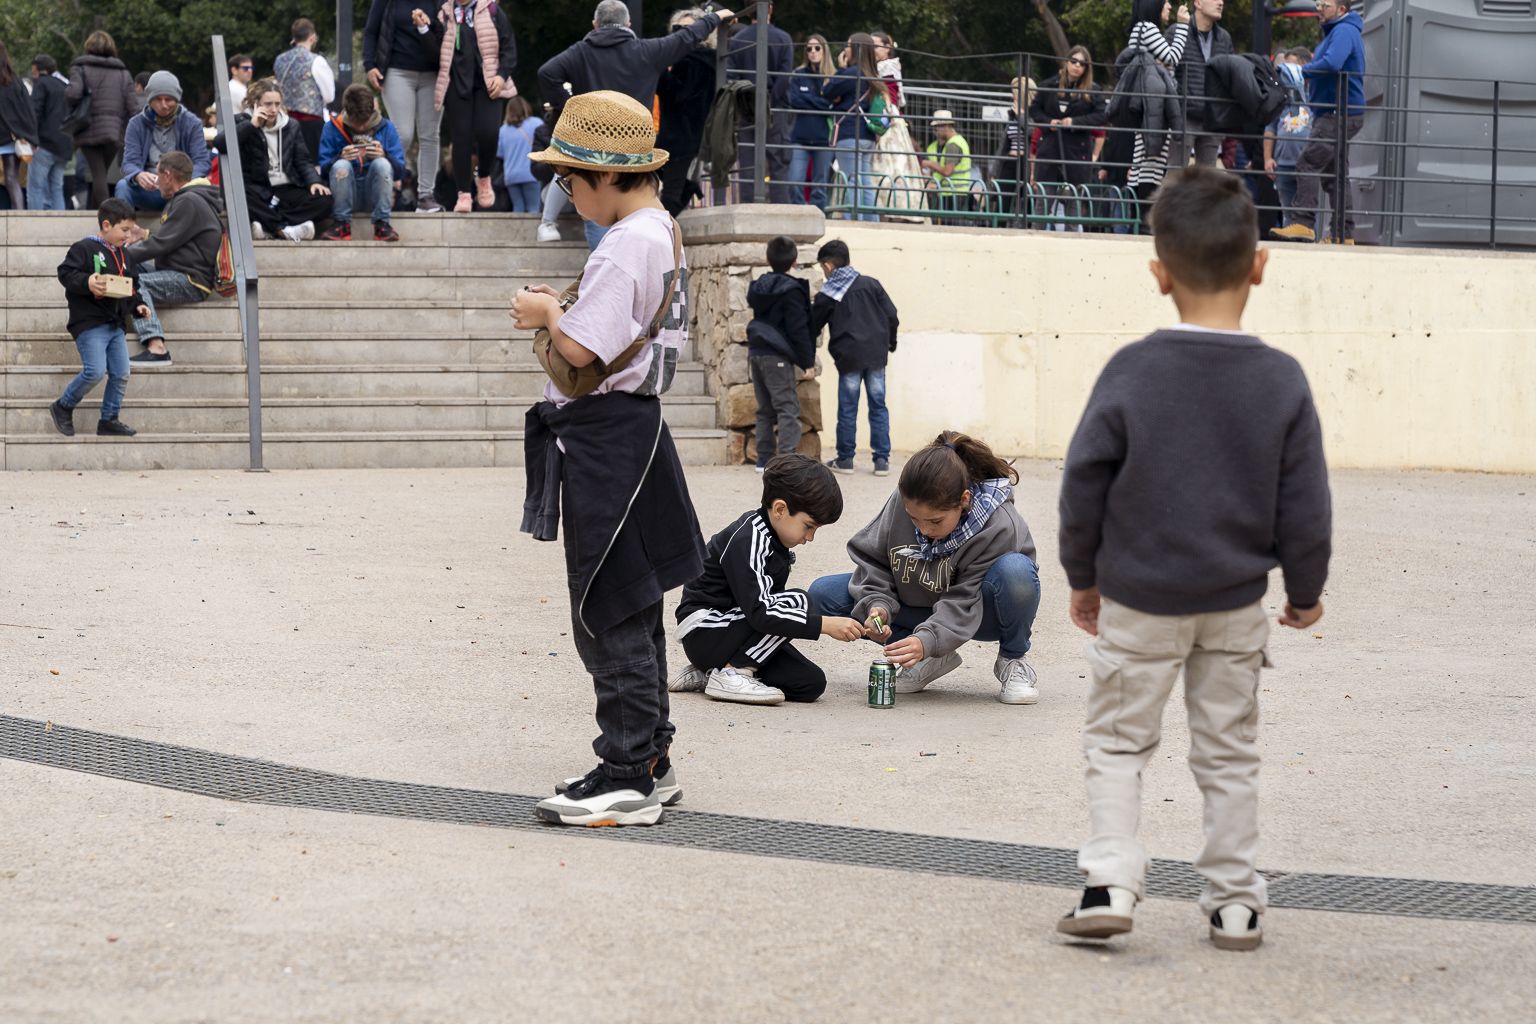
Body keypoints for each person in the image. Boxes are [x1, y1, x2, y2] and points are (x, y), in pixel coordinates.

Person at [1054, 167, 1331, 951]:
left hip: (1139, 599)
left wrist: (1084, 578)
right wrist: (1304, 591)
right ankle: (1236, 902)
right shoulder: (1281, 379)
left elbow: (1083, 484)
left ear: (1159, 274)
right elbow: (1305, 503)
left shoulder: (1131, 371)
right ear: (1259, 265)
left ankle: (1110, 881)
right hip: (1235, 603)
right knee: (1229, 752)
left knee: (1117, 743)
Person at [512, 91, 707, 828]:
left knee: (607, 607)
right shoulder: (662, 228)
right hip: (635, 432)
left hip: (607, 441)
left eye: (569, 178)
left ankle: (626, 773)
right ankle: (649, 758)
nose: (567, 192)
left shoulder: (626, 243)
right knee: (634, 599)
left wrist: (545, 313)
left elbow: (578, 347)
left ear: (605, 174)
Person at [808, 431, 1044, 704]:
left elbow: (962, 599)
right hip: (922, 602)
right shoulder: (906, 500)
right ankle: (931, 657)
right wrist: (877, 605)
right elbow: (874, 559)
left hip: (979, 612)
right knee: (822, 595)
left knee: (1016, 571)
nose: (923, 530)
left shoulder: (998, 524)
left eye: (935, 521)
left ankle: (1013, 659)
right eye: (914, 519)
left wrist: (927, 639)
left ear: (964, 500)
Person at [670, 454, 861, 705]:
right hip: (706, 632)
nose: (810, 537)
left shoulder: (775, 540)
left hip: (735, 631)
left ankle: (710, 673)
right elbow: (762, 612)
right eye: (808, 526)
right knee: (799, 602)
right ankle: (732, 673)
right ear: (780, 509)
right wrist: (823, 624)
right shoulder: (749, 538)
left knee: (810, 683)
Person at [537, 0, 731, 246]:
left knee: (597, 205)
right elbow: (686, 37)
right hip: (634, 146)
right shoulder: (647, 51)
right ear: (628, 23)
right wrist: (715, 17)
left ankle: (598, 254)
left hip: (593, 140)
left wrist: (573, 107)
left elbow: (546, 73)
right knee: (631, 204)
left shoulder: (580, 52)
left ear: (595, 24)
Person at [49, 198, 148, 438]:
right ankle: (63, 405)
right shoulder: (83, 248)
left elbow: (132, 286)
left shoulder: (125, 255)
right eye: (124, 230)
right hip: (90, 322)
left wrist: (139, 305)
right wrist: (87, 282)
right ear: (106, 225)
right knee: (95, 371)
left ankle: (109, 420)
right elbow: (65, 273)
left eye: (131, 230)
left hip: (115, 324)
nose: (128, 236)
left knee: (121, 373)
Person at [1270, 0, 1366, 243]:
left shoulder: (1343, 31)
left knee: (1307, 164)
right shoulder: (1341, 30)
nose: (1319, 8)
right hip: (1341, 112)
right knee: (1335, 175)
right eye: (1318, 3)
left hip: (1335, 113)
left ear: (1341, 10)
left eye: (1325, 5)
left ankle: (1303, 223)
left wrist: (1301, 71)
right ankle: (1343, 234)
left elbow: (1333, 63)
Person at [122, 151, 225, 366]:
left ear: (168, 175)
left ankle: (156, 347)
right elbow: (176, 238)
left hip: (190, 280)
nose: (156, 181)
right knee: (126, 269)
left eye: (158, 174)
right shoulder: (188, 199)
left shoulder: (188, 200)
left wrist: (116, 254)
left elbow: (163, 244)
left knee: (133, 283)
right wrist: (144, 235)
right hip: (178, 271)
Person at [811, 238, 898, 476]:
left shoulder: (829, 293)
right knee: (878, 406)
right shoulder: (872, 284)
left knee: (848, 408)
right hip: (876, 356)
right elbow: (892, 314)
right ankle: (881, 460)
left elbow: (813, 325)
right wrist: (891, 342)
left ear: (828, 266)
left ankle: (846, 459)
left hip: (849, 357)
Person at [213, 79, 332, 242]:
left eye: (277, 104)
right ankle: (283, 228)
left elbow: (302, 160)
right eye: (268, 104)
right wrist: (251, 125)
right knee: (238, 195)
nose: (274, 109)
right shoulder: (241, 121)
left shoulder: (291, 125)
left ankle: (269, 226)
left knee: (324, 200)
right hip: (258, 188)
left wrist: (314, 181)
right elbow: (220, 144)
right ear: (255, 103)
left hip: (287, 187)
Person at [427, 0, 517, 214]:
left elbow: (508, 47)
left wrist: (502, 76)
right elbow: (434, 53)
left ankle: (484, 177)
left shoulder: (492, 10)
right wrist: (425, 29)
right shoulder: (443, 14)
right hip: (456, 84)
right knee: (461, 138)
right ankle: (464, 193)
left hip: (488, 84)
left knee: (489, 133)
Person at [363, 0, 445, 212]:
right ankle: (383, 186)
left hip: (433, 74)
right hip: (397, 71)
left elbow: (448, 31)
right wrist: (369, 65)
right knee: (403, 134)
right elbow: (371, 31)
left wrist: (430, 24)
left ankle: (426, 196)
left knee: (430, 135)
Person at [747, 235, 815, 470]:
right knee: (787, 408)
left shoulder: (758, 287)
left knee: (765, 409)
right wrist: (807, 362)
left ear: (768, 259)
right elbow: (798, 329)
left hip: (756, 352)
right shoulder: (792, 290)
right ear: (794, 261)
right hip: (777, 356)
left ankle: (764, 459)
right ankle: (784, 462)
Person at [1029, 47, 1109, 231]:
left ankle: (1071, 243)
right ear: (1066, 62)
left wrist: (1074, 122)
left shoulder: (1093, 90)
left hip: (1077, 153)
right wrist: (1048, 122)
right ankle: (1034, 240)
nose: (1077, 66)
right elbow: (1035, 109)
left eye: (1082, 63)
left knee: (1073, 207)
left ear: (1087, 68)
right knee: (1042, 205)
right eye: (1074, 61)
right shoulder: (1049, 85)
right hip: (1050, 150)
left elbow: (1101, 115)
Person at [723, 0, 792, 203]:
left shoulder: (738, 40)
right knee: (778, 162)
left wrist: (749, 103)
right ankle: (780, 207)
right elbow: (784, 78)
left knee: (748, 163)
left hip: (746, 111)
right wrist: (769, 102)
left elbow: (732, 77)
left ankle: (748, 205)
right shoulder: (783, 38)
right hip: (776, 110)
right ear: (770, 8)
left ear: (748, 12)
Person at [318, 83, 406, 241]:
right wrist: (339, 157)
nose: (361, 127)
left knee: (382, 164)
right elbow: (323, 172)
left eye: (365, 121)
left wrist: (384, 155)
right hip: (344, 193)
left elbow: (400, 172)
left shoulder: (387, 127)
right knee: (341, 166)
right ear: (346, 112)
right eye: (356, 122)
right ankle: (341, 224)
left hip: (375, 194)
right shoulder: (332, 127)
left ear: (372, 112)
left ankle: (382, 224)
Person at [1126, 0, 1190, 213]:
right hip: (1153, 106)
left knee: (1144, 161)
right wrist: (1182, 26)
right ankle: (1146, 220)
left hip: (1146, 103)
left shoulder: (1140, 29)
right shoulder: (1147, 28)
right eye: (1165, 2)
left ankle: (1139, 220)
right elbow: (1172, 57)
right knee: (1151, 162)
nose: (1169, 7)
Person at [116, 71, 210, 212]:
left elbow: (202, 162)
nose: (164, 105)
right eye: (158, 99)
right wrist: (138, 175)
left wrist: (180, 181)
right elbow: (129, 162)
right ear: (149, 100)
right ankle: (124, 225)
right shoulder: (136, 124)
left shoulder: (192, 123)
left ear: (177, 99)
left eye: (169, 99)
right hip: (151, 188)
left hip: (183, 190)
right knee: (123, 186)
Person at [655, 7, 717, 217]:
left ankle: (660, 227)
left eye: (687, 29)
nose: (681, 34)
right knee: (664, 182)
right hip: (683, 133)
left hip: (682, 135)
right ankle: (688, 189)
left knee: (669, 192)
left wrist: (660, 73)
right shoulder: (703, 58)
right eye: (677, 29)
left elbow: (676, 94)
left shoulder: (692, 60)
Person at [824, 33, 890, 222]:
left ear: (856, 49)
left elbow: (827, 90)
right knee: (865, 181)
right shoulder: (873, 75)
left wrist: (841, 69)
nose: (845, 49)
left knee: (852, 179)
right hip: (868, 136)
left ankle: (854, 220)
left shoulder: (852, 73)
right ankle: (871, 222)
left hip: (849, 134)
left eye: (848, 45)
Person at [66, 32, 136, 208]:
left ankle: (109, 215)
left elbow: (73, 94)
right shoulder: (123, 73)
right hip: (115, 131)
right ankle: (94, 213)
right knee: (101, 173)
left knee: (98, 175)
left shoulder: (80, 68)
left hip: (88, 128)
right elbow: (133, 106)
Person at [1170, 0, 1232, 167]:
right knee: (1176, 174)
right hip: (1183, 116)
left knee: (1208, 176)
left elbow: (1229, 76)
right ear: (1198, 3)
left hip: (1212, 118)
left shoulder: (1224, 38)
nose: (1221, 3)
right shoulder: (1177, 31)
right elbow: (1164, 69)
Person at [274, 18, 337, 159]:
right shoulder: (316, 60)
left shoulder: (280, 60)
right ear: (312, 37)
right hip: (310, 123)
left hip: (285, 122)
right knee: (312, 164)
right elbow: (329, 96)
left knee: (290, 163)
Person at [786, 34, 835, 210]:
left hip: (824, 139)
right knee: (794, 181)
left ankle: (819, 218)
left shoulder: (833, 76)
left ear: (824, 50)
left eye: (817, 48)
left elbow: (832, 106)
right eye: (809, 49)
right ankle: (799, 216)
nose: (813, 52)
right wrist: (820, 102)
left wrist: (808, 100)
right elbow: (794, 100)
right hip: (800, 137)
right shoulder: (798, 74)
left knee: (820, 187)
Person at [25, 55, 71, 210]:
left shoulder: (41, 84)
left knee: (35, 188)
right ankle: (60, 222)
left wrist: (31, 138)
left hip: (45, 143)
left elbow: (34, 113)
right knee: (56, 188)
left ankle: (35, 222)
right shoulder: (64, 85)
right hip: (65, 144)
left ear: (38, 68)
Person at [0, 42, 40, 210]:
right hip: (13, 137)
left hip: (6, 136)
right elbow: (28, 112)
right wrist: (32, 138)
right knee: (12, 178)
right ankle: (19, 215)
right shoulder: (15, 82)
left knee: (10, 178)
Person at [919, 110, 975, 223]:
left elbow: (947, 171)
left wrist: (930, 164)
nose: (935, 132)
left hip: (954, 193)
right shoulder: (948, 144)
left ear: (946, 126)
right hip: (949, 192)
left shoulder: (953, 145)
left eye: (937, 128)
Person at [496, 94, 543, 212]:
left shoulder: (503, 130)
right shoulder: (536, 123)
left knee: (517, 208)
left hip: (511, 175)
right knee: (533, 208)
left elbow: (500, 154)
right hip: (531, 174)